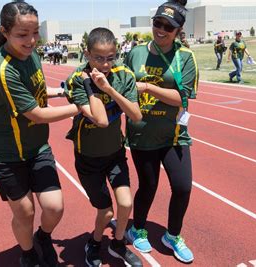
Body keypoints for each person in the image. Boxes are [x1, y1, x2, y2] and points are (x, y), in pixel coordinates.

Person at [0, 2, 79, 267]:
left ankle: (43, 237)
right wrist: (81, 108)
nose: (31, 40)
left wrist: (59, 92)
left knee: (54, 207)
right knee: (25, 212)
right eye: (22, 35)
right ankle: (27, 254)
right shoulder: (2, 69)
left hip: (36, 146)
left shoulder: (31, 54)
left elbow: (34, 89)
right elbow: (35, 113)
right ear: (5, 31)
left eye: (35, 32)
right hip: (6, 153)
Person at [124, 0, 198, 263]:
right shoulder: (135, 53)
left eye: (169, 26)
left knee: (182, 187)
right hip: (142, 134)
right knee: (148, 186)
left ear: (179, 30)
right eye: (158, 23)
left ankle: (173, 235)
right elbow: (121, 85)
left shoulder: (186, 57)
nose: (162, 30)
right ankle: (138, 227)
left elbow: (182, 98)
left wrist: (148, 88)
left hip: (175, 135)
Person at [65, 27, 143, 267]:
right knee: (106, 212)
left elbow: (136, 115)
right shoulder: (78, 79)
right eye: (99, 58)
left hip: (115, 153)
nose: (106, 64)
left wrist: (108, 88)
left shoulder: (124, 75)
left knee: (126, 204)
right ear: (87, 54)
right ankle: (95, 243)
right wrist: (92, 86)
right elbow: (99, 120)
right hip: (88, 157)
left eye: (111, 57)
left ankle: (118, 243)